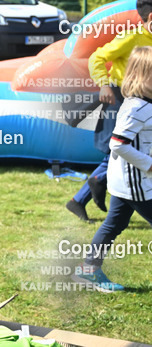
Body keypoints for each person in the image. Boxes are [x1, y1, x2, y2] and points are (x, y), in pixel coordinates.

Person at [67, 0, 152, 223]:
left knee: (125, 150)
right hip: (120, 96)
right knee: (120, 148)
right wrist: (103, 85)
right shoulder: (131, 37)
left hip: (142, 98)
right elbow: (97, 57)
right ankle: (91, 191)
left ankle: (80, 199)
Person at [73, 46, 152, 292]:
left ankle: (88, 271)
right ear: (145, 76)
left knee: (113, 224)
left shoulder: (139, 103)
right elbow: (117, 143)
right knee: (112, 225)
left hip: (125, 181)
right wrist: (149, 164)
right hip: (136, 181)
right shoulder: (139, 107)